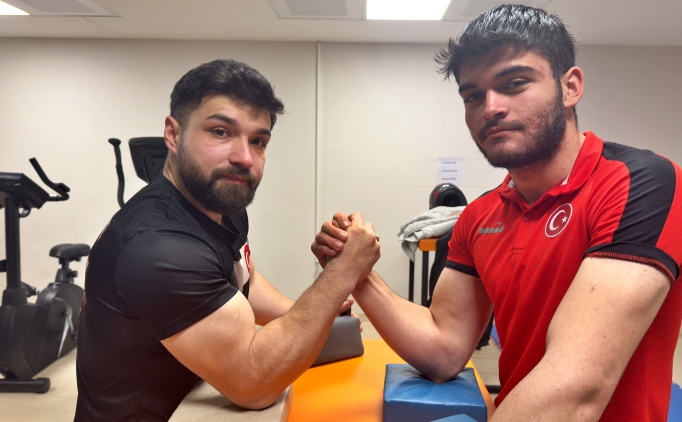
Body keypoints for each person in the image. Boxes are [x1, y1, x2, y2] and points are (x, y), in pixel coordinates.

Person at [313, 5, 682, 421]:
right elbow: (444, 350)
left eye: (515, 83)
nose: (490, 107)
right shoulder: (478, 217)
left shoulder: (641, 183)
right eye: (472, 95)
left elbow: (576, 388)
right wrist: (356, 272)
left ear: (570, 87)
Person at [74, 59, 380, 421]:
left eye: (258, 141)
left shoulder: (220, 203)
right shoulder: (159, 248)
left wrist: (314, 317)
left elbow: (244, 281)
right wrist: (340, 275)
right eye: (221, 132)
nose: (244, 158)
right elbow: (253, 384)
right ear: (172, 134)